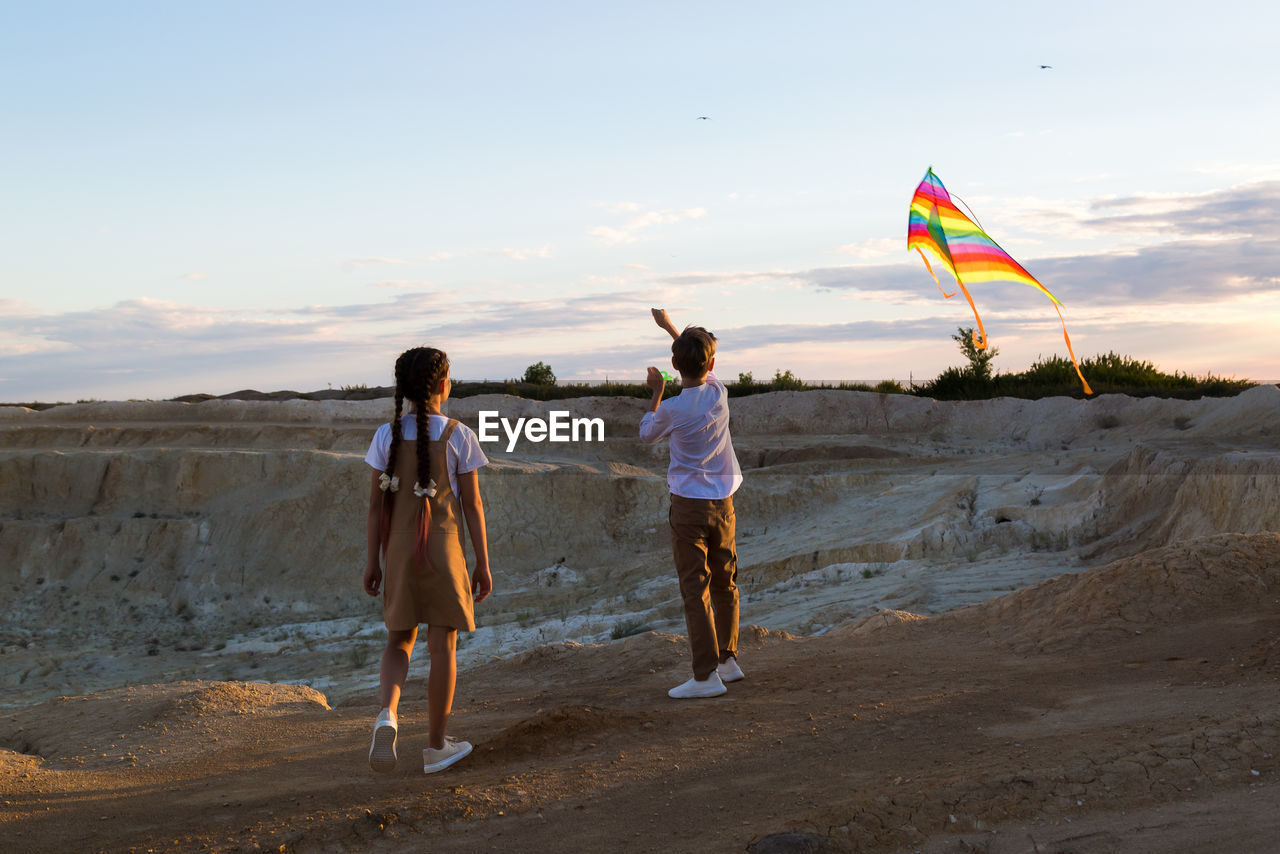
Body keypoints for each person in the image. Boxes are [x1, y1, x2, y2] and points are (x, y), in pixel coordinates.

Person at [362, 346, 493, 773]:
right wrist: (482, 563)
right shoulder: (459, 436)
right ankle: (436, 746)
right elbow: (472, 505)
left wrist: (373, 562)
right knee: (443, 647)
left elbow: (375, 508)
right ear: (443, 386)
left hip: (397, 551)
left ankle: (388, 713)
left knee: (399, 640)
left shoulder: (386, 435)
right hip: (444, 550)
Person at [640, 308, 745, 699]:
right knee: (724, 580)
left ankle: (704, 677)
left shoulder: (672, 408)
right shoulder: (719, 393)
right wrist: (670, 326)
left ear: (672, 365)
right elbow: (694, 356)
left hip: (688, 506)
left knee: (693, 587)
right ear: (712, 363)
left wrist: (656, 391)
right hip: (724, 503)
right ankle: (727, 661)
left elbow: (647, 433)